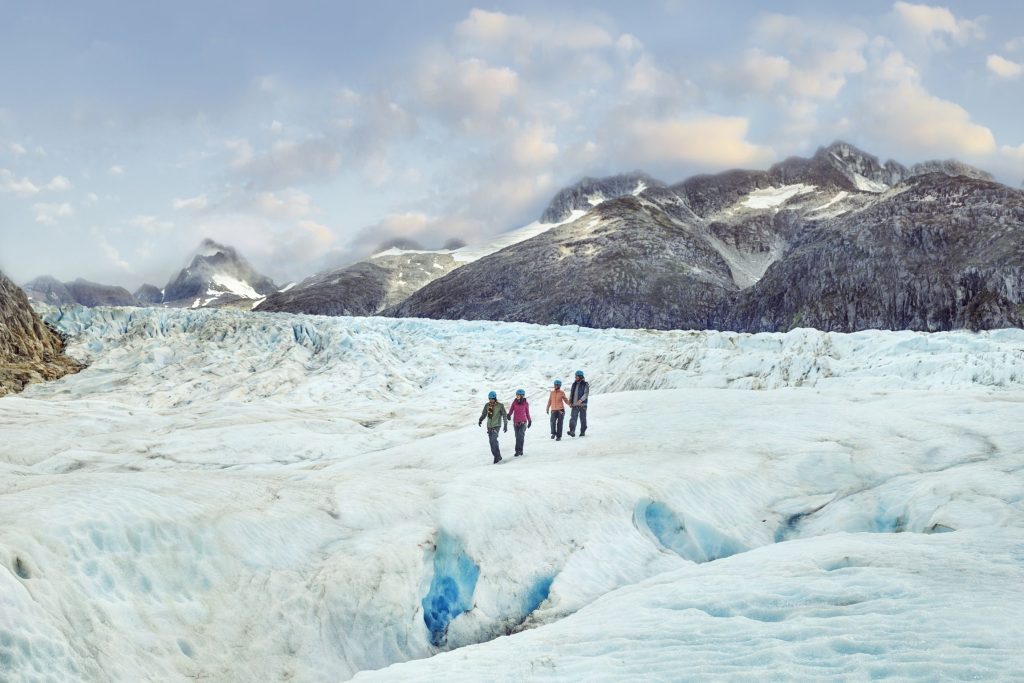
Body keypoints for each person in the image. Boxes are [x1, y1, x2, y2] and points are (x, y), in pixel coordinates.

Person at [478, 390, 509, 464]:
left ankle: (497, 457)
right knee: (491, 443)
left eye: (492, 399)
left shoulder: (500, 405)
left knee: (493, 441)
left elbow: (504, 415)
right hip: (489, 426)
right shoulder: (487, 405)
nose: (491, 400)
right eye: (489, 399)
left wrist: (505, 425)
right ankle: (498, 456)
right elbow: (484, 414)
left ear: (495, 398)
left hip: (496, 425)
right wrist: (480, 420)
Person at [507, 388, 532, 456]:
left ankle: (519, 451)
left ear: (522, 396)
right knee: (517, 437)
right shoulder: (514, 402)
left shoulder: (526, 403)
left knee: (520, 436)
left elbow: (527, 413)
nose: (517, 396)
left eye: (519, 395)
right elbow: (511, 409)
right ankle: (518, 450)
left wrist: (529, 421)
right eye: (517, 395)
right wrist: (509, 414)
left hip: (523, 423)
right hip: (515, 423)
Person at [567, 370, 589, 437]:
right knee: (573, 418)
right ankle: (572, 431)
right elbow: (571, 394)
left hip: (582, 405)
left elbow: (586, 394)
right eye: (575, 376)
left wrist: (581, 400)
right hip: (574, 404)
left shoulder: (585, 384)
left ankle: (582, 432)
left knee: (583, 419)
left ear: (580, 376)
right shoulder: (574, 384)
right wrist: (570, 401)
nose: (575, 377)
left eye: (576, 376)